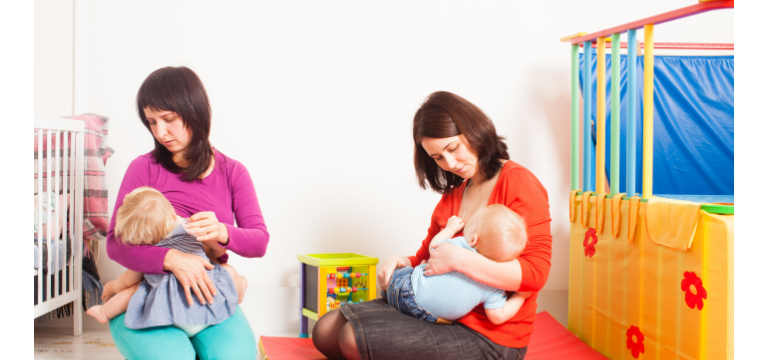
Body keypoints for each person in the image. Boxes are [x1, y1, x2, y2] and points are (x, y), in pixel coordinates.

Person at [313, 91, 552, 360]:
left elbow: (536, 273)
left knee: (351, 340)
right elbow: (427, 258)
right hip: (435, 311)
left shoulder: (518, 182)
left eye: (452, 148)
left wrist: (460, 260)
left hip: (488, 336)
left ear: (473, 131)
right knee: (325, 329)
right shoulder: (452, 197)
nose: (450, 164)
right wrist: (400, 260)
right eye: (438, 157)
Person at [106, 66, 268, 360]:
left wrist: (222, 231)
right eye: (152, 121)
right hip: (149, 294)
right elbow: (114, 244)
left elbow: (259, 242)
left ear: (195, 112)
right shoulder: (144, 168)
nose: (160, 132)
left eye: (168, 119)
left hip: (206, 296)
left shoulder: (233, 172)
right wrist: (171, 258)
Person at [87, 187, 246, 336]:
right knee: (228, 272)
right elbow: (215, 250)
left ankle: (104, 312)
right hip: (209, 307)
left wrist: (113, 285)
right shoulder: (191, 228)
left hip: (169, 316)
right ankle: (236, 297)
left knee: (135, 290)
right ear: (171, 212)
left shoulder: (148, 251)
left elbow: (129, 279)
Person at [383, 205, 530, 325]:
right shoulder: (496, 286)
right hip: (428, 317)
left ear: (473, 240)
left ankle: (396, 285)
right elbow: (498, 316)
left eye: (473, 224)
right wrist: (521, 296)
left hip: (404, 292)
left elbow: (433, 248)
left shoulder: (462, 246)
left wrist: (451, 229)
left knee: (404, 273)